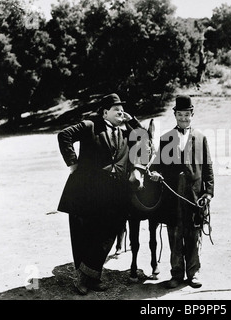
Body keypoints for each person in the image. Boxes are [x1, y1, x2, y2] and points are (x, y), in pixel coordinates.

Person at [57, 93, 141, 295]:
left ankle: (90, 275)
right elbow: (64, 135)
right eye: (116, 110)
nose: (121, 113)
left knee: (108, 233)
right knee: (85, 236)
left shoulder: (124, 132)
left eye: (123, 110)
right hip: (85, 194)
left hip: (113, 196)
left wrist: (132, 120)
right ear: (105, 112)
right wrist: (72, 162)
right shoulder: (90, 126)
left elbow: (144, 138)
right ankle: (84, 280)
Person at [150, 95, 214, 289]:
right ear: (175, 115)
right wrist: (154, 173)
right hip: (172, 198)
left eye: (187, 114)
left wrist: (209, 192)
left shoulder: (201, 138)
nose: (184, 118)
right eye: (180, 114)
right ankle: (176, 274)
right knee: (175, 236)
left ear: (192, 114)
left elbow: (208, 168)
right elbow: (156, 166)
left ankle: (193, 274)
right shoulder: (166, 138)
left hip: (195, 197)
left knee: (194, 236)